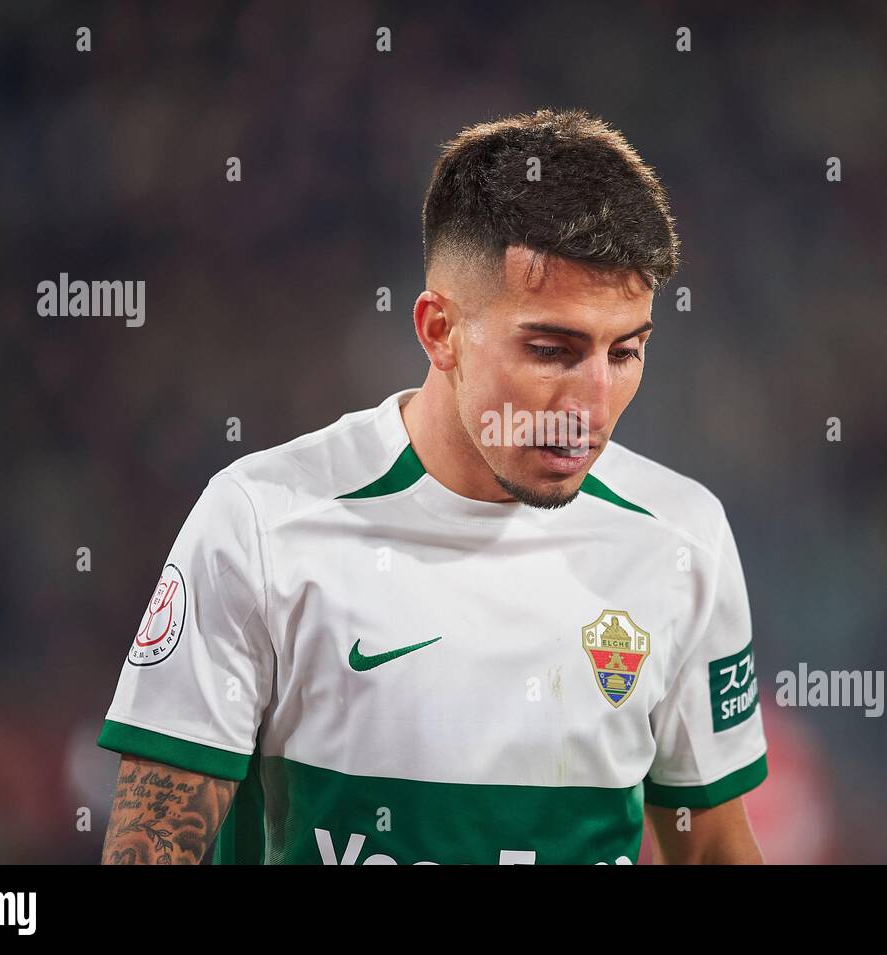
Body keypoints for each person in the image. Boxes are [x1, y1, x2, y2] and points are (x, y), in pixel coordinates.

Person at [97, 107, 768, 864]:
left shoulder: (680, 538)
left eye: (625, 352)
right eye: (552, 349)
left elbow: (711, 846)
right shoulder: (261, 524)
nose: (590, 405)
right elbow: (151, 850)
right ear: (439, 330)